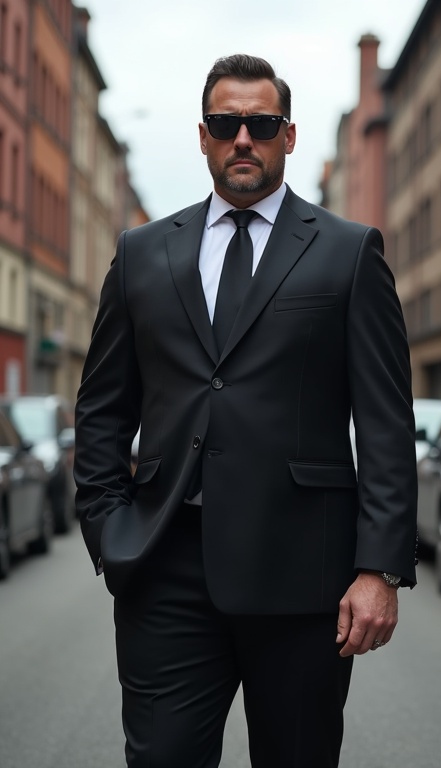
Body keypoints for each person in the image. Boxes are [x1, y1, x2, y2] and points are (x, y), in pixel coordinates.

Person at [74, 54, 417, 768]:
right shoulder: (141, 253)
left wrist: (378, 569)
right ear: (202, 135)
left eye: (260, 125)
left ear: (287, 136)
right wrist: (109, 530)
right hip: (165, 567)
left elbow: (384, 423)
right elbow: (103, 409)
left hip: (305, 582)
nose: (242, 140)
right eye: (226, 124)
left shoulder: (349, 254)